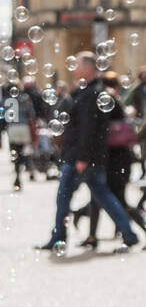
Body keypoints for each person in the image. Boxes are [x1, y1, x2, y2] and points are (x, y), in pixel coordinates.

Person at [37, 52, 138, 253]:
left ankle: (59, 237)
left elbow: (87, 129)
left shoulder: (91, 94)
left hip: (80, 156)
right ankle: (129, 234)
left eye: (77, 64)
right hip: (89, 156)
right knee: (103, 194)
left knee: (65, 195)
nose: (73, 68)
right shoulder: (91, 91)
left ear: (87, 68)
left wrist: (82, 157)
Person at [70, 72, 144, 248]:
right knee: (99, 197)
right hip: (111, 156)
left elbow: (96, 129)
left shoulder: (106, 100)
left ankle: (133, 233)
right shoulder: (110, 99)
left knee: (117, 199)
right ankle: (92, 237)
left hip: (116, 158)